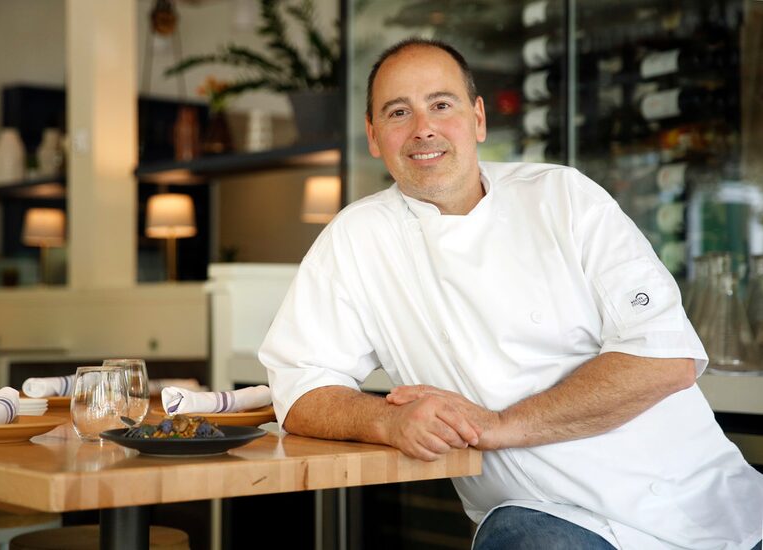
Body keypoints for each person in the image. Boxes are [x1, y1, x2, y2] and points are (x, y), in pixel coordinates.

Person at [259, 38, 763, 550]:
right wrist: (388, 421)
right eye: (397, 112)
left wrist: (499, 425)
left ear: (478, 119)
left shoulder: (563, 197)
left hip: (703, 505)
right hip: (545, 522)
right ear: (373, 136)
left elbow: (664, 357)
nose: (422, 128)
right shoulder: (356, 238)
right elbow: (299, 388)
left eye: (441, 104)